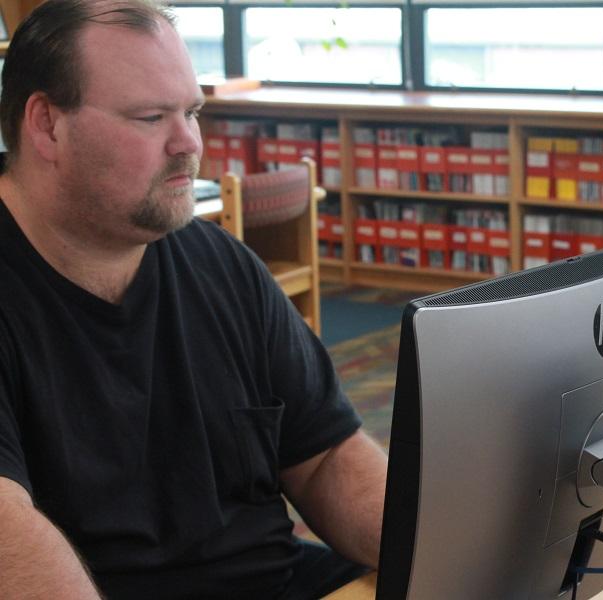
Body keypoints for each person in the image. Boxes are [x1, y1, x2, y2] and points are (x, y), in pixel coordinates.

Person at [0, 1, 388, 598]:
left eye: (192, 112)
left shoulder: (219, 261)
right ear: (47, 124)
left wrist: (438, 548)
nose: (189, 143)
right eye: (152, 117)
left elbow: (326, 454)